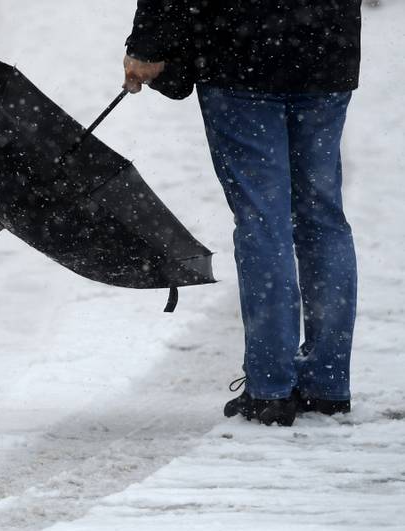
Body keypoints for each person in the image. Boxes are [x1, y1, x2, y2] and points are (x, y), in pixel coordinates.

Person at [123, 1, 363, 426]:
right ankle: (328, 382)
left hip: (241, 51)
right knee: (322, 218)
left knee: (262, 219)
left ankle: (271, 386)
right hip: (327, 49)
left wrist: (149, 43)